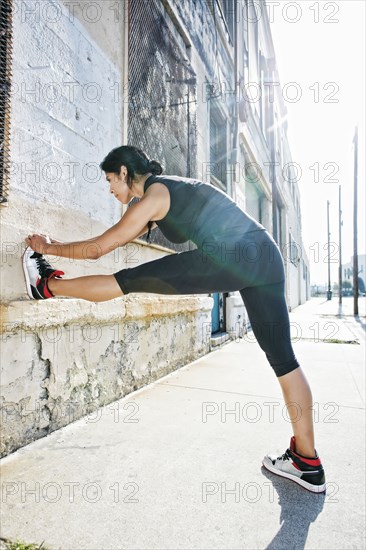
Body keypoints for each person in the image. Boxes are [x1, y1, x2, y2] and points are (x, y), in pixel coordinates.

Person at [23, 145, 326, 493]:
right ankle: (307, 462)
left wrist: (50, 245)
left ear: (124, 172)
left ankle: (46, 286)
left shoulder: (155, 195)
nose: (109, 189)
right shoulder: (160, 195)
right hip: (265, 255)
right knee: (284, 360)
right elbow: (119, 236)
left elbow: (99, 248)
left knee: (127, 281)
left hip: (233, 254)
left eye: (110, 180)